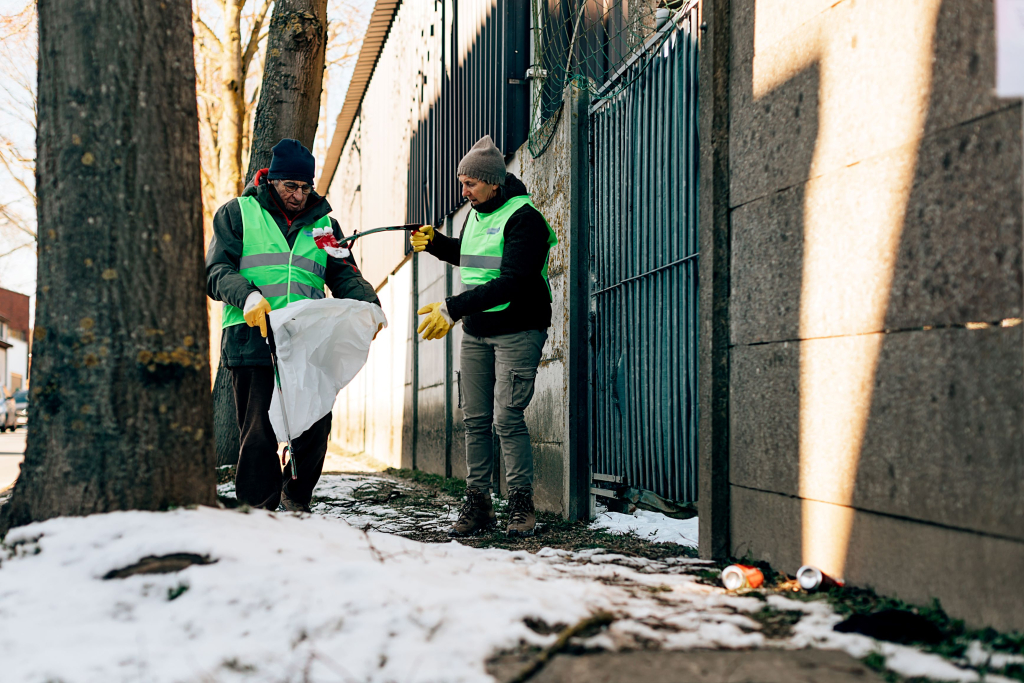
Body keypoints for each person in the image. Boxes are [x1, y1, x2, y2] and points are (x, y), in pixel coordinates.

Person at [207, 139, 381, 512]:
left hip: (305, 341)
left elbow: (344, 273)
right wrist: (249, 297)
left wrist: (369, 305)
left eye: (306, 188)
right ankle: (258, 510)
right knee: (258, 433)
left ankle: (296, 497)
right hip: (251, 338)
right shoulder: (238, 214)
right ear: (272, 180)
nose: (299, 196)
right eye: (291, 187)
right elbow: (216, 271)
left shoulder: (323, 225)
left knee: (315, 424)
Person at [411, 135, 558, 538]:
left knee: (507, 419)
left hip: (517, 328)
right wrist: (439, 245)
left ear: (494, 182)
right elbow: (475, 256)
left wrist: (452, 307)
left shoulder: (524, 218)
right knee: (475, 421)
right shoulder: (474, 214)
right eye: (462, 183)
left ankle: (521, 505)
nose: (464, 191)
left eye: (470, 184)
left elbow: (511, 280)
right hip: (477, 331)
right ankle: (478, 505)